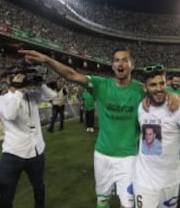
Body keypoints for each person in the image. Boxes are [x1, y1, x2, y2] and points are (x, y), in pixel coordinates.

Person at [19, 48, 162, 208]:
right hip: (102, 155)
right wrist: (46, 60)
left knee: (128, 204)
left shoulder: (141, 90)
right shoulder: (100, 85)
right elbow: (71, 74)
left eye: (124, 60)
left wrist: (176, 99)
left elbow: (162, 93)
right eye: (116, 60)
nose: (120, 63)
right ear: (113, 66)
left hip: (128, 158)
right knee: (102, 201)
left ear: (132, 65)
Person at [135, 66, 180, 208]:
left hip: (170, 181)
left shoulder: (178, 107)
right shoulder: (141, 106)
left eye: (162, 83)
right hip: (145, 181)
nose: (159, 88)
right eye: (153, 85)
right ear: (145, 88)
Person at [0, 73, 57, 208]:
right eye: (17, 76)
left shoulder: (31, 96)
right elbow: (10, 115)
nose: (22, 78)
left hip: (36, 151)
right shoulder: (0, 100)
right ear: (8, 80)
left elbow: (53, 96)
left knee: (39, 188)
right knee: (6, 195)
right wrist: (18, 90)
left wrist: (41, 84)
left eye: (23, 76)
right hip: (13, 153)